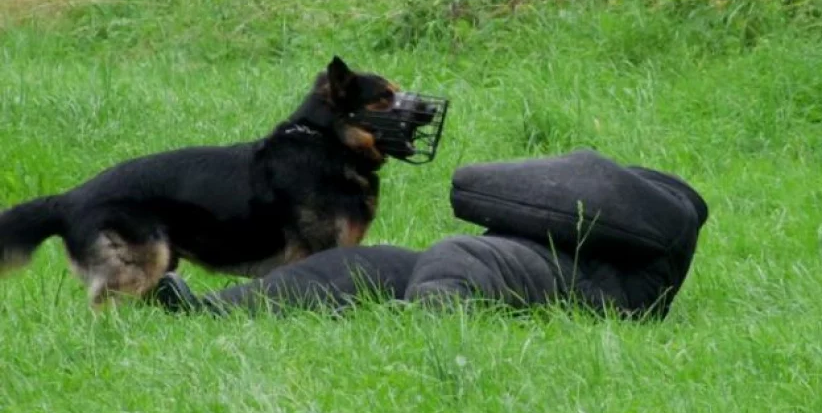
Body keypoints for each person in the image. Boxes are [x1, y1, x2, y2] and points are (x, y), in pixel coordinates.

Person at [147, 149, 709, 321]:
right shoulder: (624, 223)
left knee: (454, 258)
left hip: (570, 283)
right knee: (369, 266)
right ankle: (213, 311)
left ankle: (432, 315)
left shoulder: (663, 218)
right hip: (538, 266)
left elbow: (474, 189)